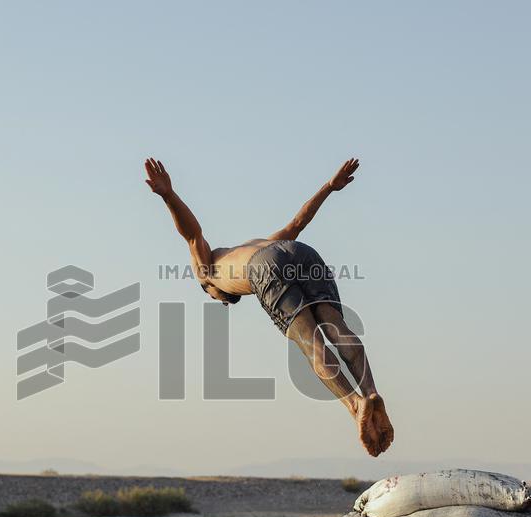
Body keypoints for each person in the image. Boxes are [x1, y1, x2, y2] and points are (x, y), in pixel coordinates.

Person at [145, 157, 394, 456]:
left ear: (214, 293)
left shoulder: (208, 274)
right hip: (299, 252)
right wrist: (329, 186)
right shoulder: (259, 242)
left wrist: (168, 196)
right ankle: (371, 391)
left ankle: (356, 405)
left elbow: (192, 234)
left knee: (312, 344)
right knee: (337, 328)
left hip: (264, 269)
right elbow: (298, 223)